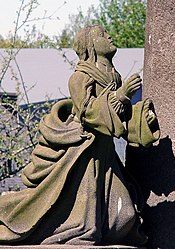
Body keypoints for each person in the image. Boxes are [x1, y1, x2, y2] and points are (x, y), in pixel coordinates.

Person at [0, 25, 159, 246]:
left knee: (124, 217)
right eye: (103, 35)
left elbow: (121, 120)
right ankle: (10, 212)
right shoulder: (79, 78)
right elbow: (88, 113)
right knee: (80, 220)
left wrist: (142, 119)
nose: (110, 36)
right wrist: (121, 96)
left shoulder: (114, 76)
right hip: (83, 153)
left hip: (105, 155)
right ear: (91, 45)